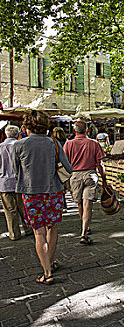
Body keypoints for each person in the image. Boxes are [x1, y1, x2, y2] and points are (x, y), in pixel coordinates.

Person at [13, 110, 72, 285]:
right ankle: (50, 263)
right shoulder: (53, 143)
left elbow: (17, 172)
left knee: (38, 232)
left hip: (31, 193)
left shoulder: (19, 145)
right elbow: (68, 168)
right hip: (53, 191)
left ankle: (46, 272)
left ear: (27, 126)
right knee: (52, 228)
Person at [63, 121, 107, 245]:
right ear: (87, 130)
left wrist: (65, 180)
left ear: (74, 131)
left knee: (80, 204)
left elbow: (65, 164)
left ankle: (85, 228)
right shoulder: (94, 143)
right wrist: (104, 179)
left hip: (75, 176)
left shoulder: (68, 144)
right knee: (88, 204)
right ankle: (84, 231)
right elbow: (100, 164)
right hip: (90, 175)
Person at [0, 125, 31, 240]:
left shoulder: (0, 147)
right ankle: (28, 229)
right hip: (20, 181)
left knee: (10, 210)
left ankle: (14, 233)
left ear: (6, 134)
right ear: (18, 134)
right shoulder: (21, 146)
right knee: (23, 207)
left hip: (4, 182)